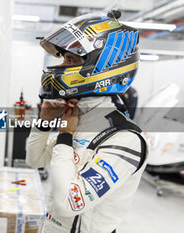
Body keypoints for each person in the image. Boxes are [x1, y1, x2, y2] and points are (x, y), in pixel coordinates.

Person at [26, 11, 148, 233]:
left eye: (71, 59)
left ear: (104, 67)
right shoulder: (77, 116)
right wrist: (44, 122)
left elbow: (68, 204)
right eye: (63, 57)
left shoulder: (127, 139)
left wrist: (64, 136)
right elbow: (35, 161)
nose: (62, 65)